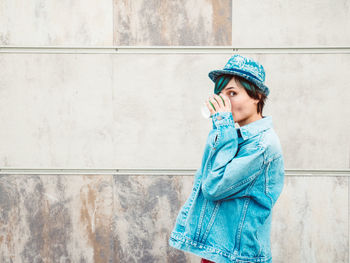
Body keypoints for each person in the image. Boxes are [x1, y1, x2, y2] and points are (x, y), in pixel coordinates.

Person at [168, 54, 285, 263]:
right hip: (219, 252)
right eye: (221, 95)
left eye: (232, 93)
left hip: (238, 257)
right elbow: (206, 177)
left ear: (257, 96)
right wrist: (223, 128)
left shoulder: (263, 145)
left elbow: (214, 187)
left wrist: (223, 126)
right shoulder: (234, 135)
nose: (225, 102)